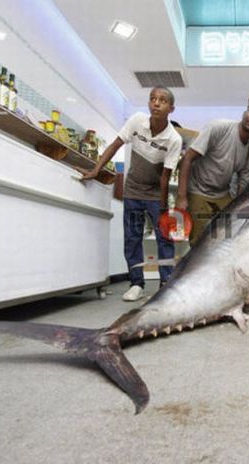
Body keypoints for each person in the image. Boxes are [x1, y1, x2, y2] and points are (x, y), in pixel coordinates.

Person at [80, 87, 182, 302]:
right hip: (133, 192)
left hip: (156, 195)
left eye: (162, 100)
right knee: (132, 238)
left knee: (165, 238)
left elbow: (165, 178)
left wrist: (163, 208)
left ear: (171, 108)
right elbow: (115, 145)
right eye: (152, 99)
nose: (156, 103)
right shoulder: (137, 121)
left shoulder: (174, 139)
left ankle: (166, 283)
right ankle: (136, 283)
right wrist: (96, 170)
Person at [176, 97, 249, 244]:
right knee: (199, 243)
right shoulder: (219, 127)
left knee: (228, 237)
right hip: (198, 189)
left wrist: (242, 215)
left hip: (222, 193)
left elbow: (241, 192)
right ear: (245, 112)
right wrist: (182, 197)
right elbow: (187, 158)